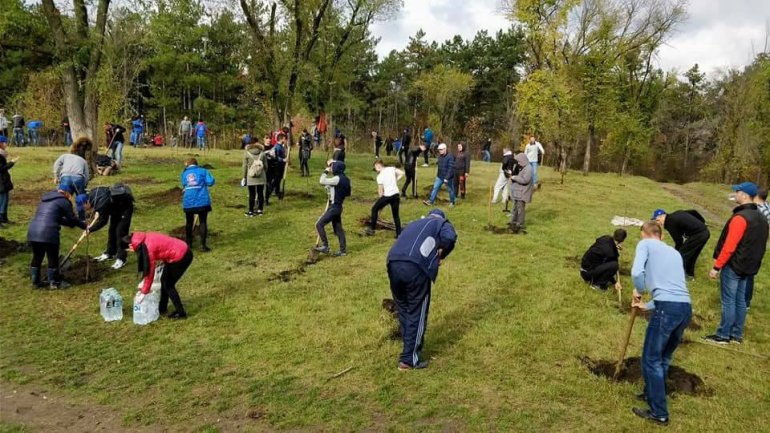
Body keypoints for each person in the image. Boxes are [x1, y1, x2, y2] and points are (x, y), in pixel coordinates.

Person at [630, 221, 692, 427]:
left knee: (651, 359)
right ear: (662, 235)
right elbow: (672, 286)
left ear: (644, 234)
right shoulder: (675, 253)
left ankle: (659, 413)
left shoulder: (645, 244)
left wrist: (638, 290)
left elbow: (637, 273)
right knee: (664, 357)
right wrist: (648, 305)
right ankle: (651, 394)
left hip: (667, 309)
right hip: (684, 309)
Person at [386, 209, 457, 370]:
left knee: (404, 308)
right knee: (417, 311)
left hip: (393, 262)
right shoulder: (441, 222)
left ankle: (407, 347)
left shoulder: (414, 223)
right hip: (416, 266)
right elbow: (450, 237)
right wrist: (441, 253)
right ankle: (409, 360)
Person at [703, 182, 768, 344]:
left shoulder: (740, 218)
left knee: (729, 300)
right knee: (740, 300)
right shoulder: (761, 217)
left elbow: (729, 246)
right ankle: (736, 335)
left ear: (745, 195)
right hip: (749, 266)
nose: (735, 194)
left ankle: (723, 335)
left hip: (734, 266)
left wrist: (717, 266)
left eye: (737, 192)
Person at [27, 184, 87, 289]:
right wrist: (84, 226)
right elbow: (72, 218)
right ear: (67, 193)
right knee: (52, 257)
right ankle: (54, 283)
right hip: (49, 233)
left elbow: (56, 218)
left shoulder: (45, 199)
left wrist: (70, 224)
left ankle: (35, 282)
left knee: (37, 256)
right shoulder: (64, 201)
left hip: (33, 231)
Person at [127, 232, 191, 319]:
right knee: (164, 281)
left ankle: (181, 313)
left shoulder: (147, 249)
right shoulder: (146, 237)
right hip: (180, 249)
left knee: (168, 285)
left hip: (181, 256)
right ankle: (162, 308)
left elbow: (149, 273)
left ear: (134, 244)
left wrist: (144, 292)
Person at [652, 209, 710, 278]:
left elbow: (679, 241)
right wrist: (702, 222)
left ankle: (677, 275)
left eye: (657, 220)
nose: (658, 223)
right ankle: (690, 275)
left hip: (698, 235)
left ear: (662, 217)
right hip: (705, 232)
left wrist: (676, 253)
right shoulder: (675, 213)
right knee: (693, 255)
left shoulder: (669, 223)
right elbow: (694, 212)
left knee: (682, 255)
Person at [88, 183, 134, 270]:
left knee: (120, 232)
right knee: (112, 230)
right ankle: (110, 253)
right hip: (115, 209)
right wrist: (98, 212)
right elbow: (101, 211)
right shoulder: (93, 195)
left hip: (125, 209)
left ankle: (121, 259)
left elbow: (103, 222)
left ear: (87, 202)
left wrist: (90, 229)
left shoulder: (102, 204)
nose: (86, 210)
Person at [315, 160, 350, 256]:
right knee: (338, 229)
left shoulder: (337, 178)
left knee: (319, 224)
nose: (332, 168)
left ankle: (325, 246)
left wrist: (325, 171)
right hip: (339, 206)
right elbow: (345, 192)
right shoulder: (346, 179)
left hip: (334, 207)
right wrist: (331, 188)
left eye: (333, 166)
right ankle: (343, 251)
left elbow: (322, 181)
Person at [181, 158, 215, 252]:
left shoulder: (184, 173)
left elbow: (184, 184)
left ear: (187, 164)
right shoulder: (203, 171)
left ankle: (188, 244)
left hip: (188, 201)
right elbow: (211, 182)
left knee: (189, 222)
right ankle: (203, 245)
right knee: (203, 222)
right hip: (202, 200)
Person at [53, 138, 91, 221]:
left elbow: (56, 164)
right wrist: (84, 185)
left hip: (65, 178)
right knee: (80, 198)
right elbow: (87, 175)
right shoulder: (83, 161)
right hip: (79, 178)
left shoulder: (65, 156)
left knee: (63, 198)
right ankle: (82, 219)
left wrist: (56, 176)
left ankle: (63, 216)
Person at [366, 160, 404, 237]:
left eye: (375, 168)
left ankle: (372, 229)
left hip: (387, 195)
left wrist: (381, 202)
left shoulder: (379, 176)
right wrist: (395, 180)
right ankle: (398, 234)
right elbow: (402, 173)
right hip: (396, 195)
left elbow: (380, 190)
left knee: (374, 209)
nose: (376, 170)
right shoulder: (391, 169)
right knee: (396, 215)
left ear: (378, 165)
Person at [423, 143, 456, 207]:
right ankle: (430, 201)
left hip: (448, 178)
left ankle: (452, 202)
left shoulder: (450, 157)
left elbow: (450, 168)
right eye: (439, 150)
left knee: (450, 190)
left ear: (445, 149)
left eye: (441, 150)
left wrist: (447, 178)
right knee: (435, 188)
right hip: (440, 176)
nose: (439, 151)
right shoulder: (440, 156)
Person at [508, 152, 532, 233]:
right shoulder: (524, 167)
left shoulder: (528, 168)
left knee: (520, 208)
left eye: (519, 161)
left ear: (523, 160)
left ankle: (520, 224)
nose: (518, 163)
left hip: (523, 193)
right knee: (515, 208)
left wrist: (515, 177)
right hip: (519, 192)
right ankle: (514, 222)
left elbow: (525, 180)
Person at [242, 142, 267, 216]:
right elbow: (266, 166)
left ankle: (251, 211)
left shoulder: (247, 153)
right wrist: (263, 172)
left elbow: (244, 167)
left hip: (251, 176)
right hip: (261, 176)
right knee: (260, 193)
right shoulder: (262, 153)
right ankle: (260, 210)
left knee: (251, 194)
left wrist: (244, 177)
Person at [0, 136, 17, 224]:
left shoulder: (2, 154)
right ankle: (2, 218)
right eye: (4, 142)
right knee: (3, 200)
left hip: (3, 181)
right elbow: (1, 168)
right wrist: (12, 162)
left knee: (4, 200)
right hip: (1, 182)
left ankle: (4, 218)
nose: (6, 144)